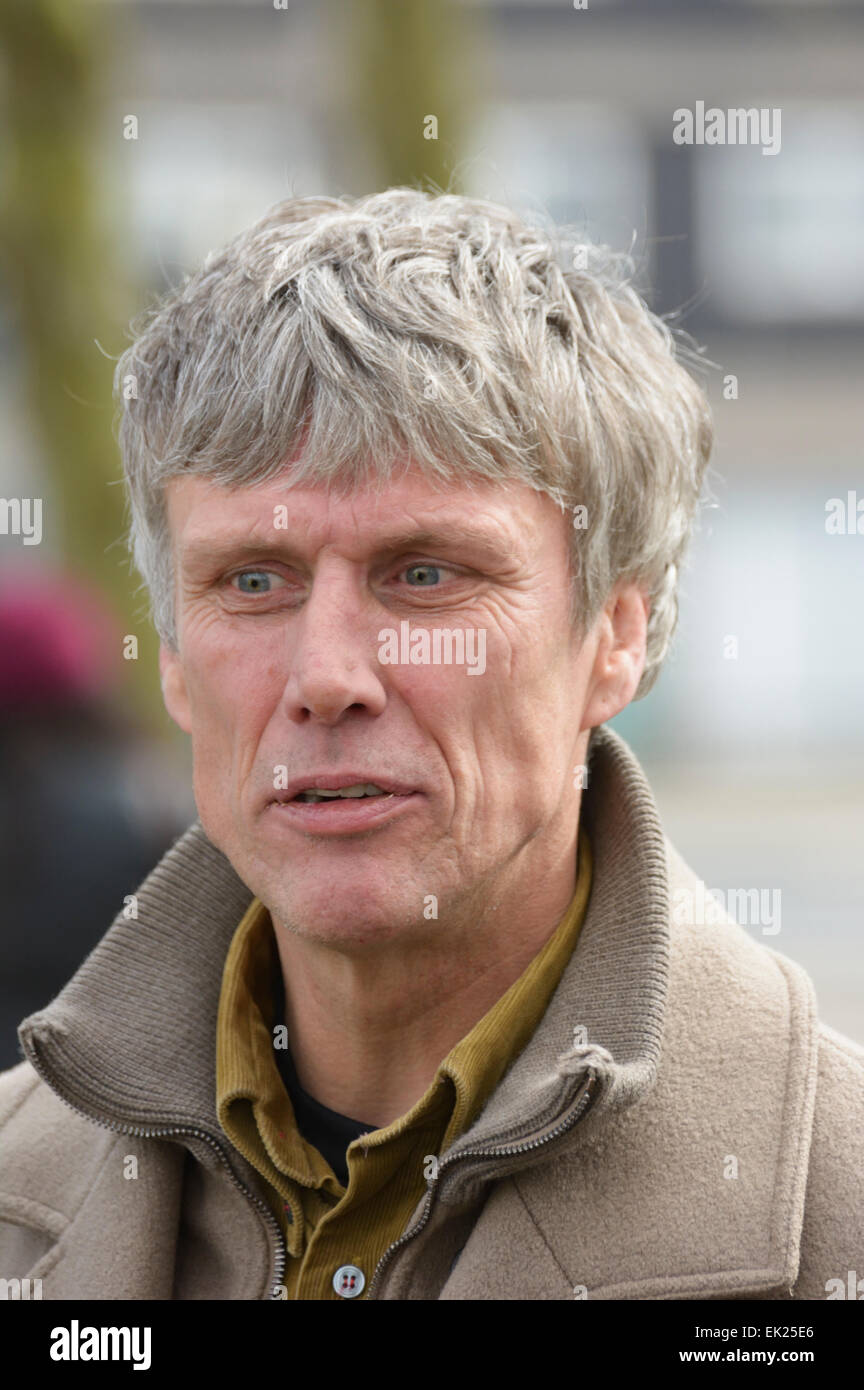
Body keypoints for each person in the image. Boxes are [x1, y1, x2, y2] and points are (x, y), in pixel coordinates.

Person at [1, 189, 861, 1301]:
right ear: (171, 657)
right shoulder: (21, 1186)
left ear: (616, 635)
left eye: (425, 575)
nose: (326, 677)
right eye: (253, 582)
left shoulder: (831, 1215)